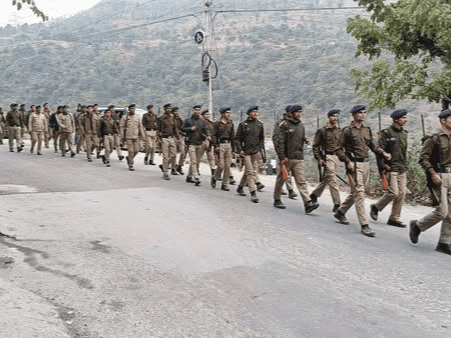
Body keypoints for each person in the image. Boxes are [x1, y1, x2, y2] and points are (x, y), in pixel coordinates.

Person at [334, 105, 391, 237]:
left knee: (357, 191)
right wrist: (347, 161)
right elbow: (338, 149)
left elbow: (374, 146)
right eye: (360, 113)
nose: (363, 115)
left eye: (364, 113)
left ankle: (341, 212)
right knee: (360, 194)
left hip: (365, 164)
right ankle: (364, 225)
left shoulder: (367, 130)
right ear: (354, 115)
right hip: (353, 165)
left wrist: (384, 153)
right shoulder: (347, 131)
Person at [409, 109, 451, 255]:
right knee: (443, 211)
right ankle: (418, 226)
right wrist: (432, 173)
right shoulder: (435, 138)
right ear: (443, 121)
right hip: (439, 176)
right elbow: (423, 158)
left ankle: (444, 242)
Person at [273, 105, 319, 213]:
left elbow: (300, 137)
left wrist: (305, 139)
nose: (299, 114)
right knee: (282, 178)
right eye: (297, 112)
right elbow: (278, 142)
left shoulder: (301, 125)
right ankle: (277, 199)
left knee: (301, 181)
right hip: (286, 159)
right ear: (291, 114)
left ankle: (307, 203)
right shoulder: (283, 125)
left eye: (300, 112)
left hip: (298, 158)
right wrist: (281, 156)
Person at [370, 109, 409, 227]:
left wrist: (406, 167)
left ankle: (394, 218)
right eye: (403, 118)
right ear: (396, 120)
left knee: (402, 193)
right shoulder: (386, 133)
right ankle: (376, 207)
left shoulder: (404, 133)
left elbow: (403, 152)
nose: (405, 120)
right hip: (390, 167)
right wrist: (382, 167)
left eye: (405, 118)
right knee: (393, 192)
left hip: (401, 167)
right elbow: (379, 151)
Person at [310, 109, 342, 212]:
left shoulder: (340, 130)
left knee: (327, 179)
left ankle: (314, 194)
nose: (335, 119)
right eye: (333, 116)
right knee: (332, 180)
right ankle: (337, 204)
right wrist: (319, 158)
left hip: (337, 158)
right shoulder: (322, 130)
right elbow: (315, 146)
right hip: (327, 157)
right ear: (329, 118)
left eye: (337, 116)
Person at [235, 106, 264, 203]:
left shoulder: (260, 125)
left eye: (257, 112)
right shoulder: (243, 125)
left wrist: (260, 150)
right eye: (253, 112)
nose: (255, 113)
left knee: (249, 171)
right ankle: (253, 192)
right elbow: (237, 138)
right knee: (251, 172)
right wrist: (240, 150)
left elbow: (261, 139)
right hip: (246, 152)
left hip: (255, 152)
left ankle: (240, 187)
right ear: (249, 113)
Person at [273, 106, 298, 200]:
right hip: (282, 152)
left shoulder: (294, 123)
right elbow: (276, 138)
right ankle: (288, 190)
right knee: (283, 172)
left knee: (285, 172)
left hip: (291, 152)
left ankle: (287, 189)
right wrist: (280, 152)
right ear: (288, 113)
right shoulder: (281, 123)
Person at [181, 105, 209, 186]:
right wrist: (190, 129)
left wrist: (208, 135)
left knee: (196, 161)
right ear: (193, 111)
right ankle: (196, 177)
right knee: (193, 161)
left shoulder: (202, 121)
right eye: (196, 110)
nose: (197, 111)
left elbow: (206, 130)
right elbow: (182, 129)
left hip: (199, 143)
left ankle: (189, 176)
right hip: (191, 144)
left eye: (199, 110)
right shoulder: (188, 120)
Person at [211, 107, 235, 191]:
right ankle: (215, 177)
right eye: (227, 113)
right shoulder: (217, 123)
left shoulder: (231, 124)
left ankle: (224, 183)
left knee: (227, 166)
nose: (229, 115)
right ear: (222, 114)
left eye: (229, 113)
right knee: (221, 165)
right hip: (220, 144)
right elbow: (213, 135)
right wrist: (216, 146)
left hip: (228, 145)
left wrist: (233, 149)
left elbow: (233, 137)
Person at [120, 104, 144, 171]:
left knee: (136, 150)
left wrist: (143, 136)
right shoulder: (125, 118)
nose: (132, 110)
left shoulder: (138, 117)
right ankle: (131, 164)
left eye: (134, 108)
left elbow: (140, 127)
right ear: (129, 110)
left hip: (136, 136)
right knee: (131, 151)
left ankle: (129, 158)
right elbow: (121, 128)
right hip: (128, 137)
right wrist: (122, 137)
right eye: (131, 109)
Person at [158, 104, 178, 180]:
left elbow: (175, 128)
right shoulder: (161, 118)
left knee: (173, 155)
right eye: (167, 108)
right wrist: (159, 138)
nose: (169, 110)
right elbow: (158, 129)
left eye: (170, 108)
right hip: (164, 138)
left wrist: (177, 137)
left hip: (172, 138)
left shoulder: (173, 118)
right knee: (165, 156)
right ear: (164, 109)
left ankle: (164, 166)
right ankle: (165, 173)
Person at [200, 109, 217, 176]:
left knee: (211, 157)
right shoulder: (200, 123)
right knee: (198, 157)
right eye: (206, 114)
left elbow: (213, 132)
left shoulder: (211, 123)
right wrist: (205, 136)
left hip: (210, 142)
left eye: (208, 114)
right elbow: (199, 132)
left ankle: (213, 171)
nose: (207, 116)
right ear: (203, 115)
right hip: (202, 141)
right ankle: (195, 170)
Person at [172, 107, 186, 175]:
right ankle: (173, 167)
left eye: (177, 111)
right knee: (173, 154)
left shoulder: (180, 120)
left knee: (183, 152)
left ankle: (180, 166)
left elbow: (183, 128)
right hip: (173, 137)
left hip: (180, 137)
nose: (176, 113)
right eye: (175, 111)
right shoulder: (170, 119)